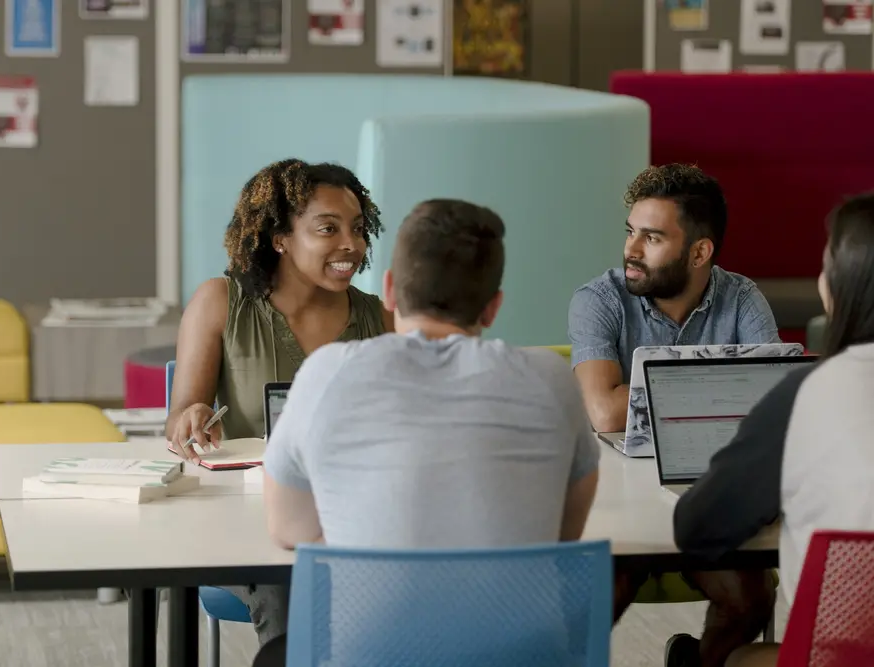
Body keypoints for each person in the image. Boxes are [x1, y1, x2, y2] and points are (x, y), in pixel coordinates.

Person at [255, 199, 601, 666]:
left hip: (372, 656)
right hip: (522, 657)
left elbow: (287, 530)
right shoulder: (551, 379)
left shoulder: (326, 375)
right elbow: (560, 536)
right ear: (493, 307)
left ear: (391, 292)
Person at [166, 158, 392, 648]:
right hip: (250, 524)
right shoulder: (220, 303)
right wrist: (192, 418)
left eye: (357, 228)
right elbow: (180, 418)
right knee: (290, 586)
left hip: (356, 518)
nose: (350, 245)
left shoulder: (382, 318)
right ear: (280, 238)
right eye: (327, 229)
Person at [568, 163, 779, 667]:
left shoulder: (743, 299)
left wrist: (640, 391)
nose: (631, 251)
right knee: (592, 605)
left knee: (749, 602)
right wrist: (722, 387)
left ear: (700, 252)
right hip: (621, 506)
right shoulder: (599, 300)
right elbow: (603, 411)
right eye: (631, 232)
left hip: (706, 493)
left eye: (653, 237)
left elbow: (770, 402)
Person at [674, 192, 874, 667]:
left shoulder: (809, 392)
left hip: (840, 659)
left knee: (731, 658)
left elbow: (698, 528)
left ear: (841, 288)